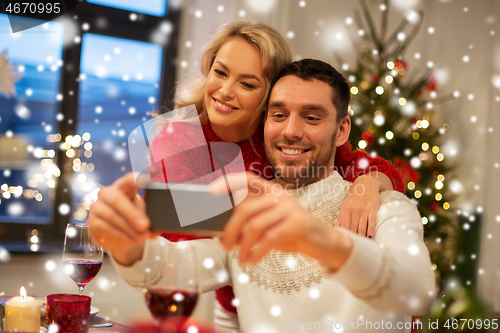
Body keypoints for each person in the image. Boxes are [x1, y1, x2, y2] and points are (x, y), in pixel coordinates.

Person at [90, 59, 436, 333]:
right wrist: (129, 245)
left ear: (342, 130)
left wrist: (320, 240)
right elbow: (174, 268)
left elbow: (416, 290)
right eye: (279, 115)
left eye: (312, 117)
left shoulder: (387, 206)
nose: (290, 131)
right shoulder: (249, 212)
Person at [143, 21, 404, 328]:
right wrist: (254, 205)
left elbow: (380, 170)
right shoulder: (179, 138)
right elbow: (172, 228)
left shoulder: (277, 137)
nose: (225, 91)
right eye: (220, 72)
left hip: (290, 294)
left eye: (247, 84)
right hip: (234, 300)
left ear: (268, 96)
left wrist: (367, 185)